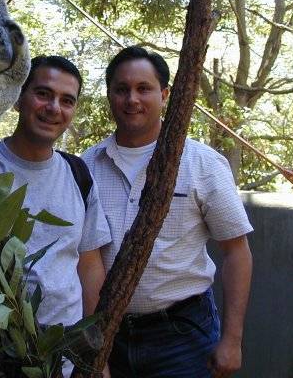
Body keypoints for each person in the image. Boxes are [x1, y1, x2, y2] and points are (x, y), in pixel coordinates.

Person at [82, 46, 253, 378]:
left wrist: (232, 340)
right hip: (107, 335)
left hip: (182, 335)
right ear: (109, 95)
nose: (132, 99)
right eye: (122, 89)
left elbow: (237, 252)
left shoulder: (202, 163)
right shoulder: (86, 166)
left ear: (164, 95)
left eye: (143, 88)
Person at [0, 55, 112, 378]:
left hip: (65, 358)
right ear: (17, 99)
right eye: (43, 94)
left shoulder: (78, 174)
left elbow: (89, 265)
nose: (54, 108)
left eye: (67, 100)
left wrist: (99, 360)